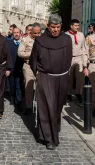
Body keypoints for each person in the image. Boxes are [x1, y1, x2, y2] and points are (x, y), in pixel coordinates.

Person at [29, 14, 72, 150]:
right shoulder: (40, 40)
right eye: (53, 27)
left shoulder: (67, 39)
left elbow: (69, 57)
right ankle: (48, 138)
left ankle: (55, 130)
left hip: (62, 77)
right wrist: (40, 73)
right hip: (45, 77)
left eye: (58, 27)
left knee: (57, 108)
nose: (55, 30)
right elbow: (33, 60)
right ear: (48, 26)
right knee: (47, 107)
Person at [18, 23, 41, 115]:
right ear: (31, 32)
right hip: (28, 66)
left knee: (41, 87)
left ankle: (41, 106)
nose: (37, 35)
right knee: (29, 87)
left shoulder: (43, 40)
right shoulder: (25, 40)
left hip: (40, 66)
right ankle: (28, 106)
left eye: (38, 33)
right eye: (35, 33)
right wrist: (31, 55)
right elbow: (20, 53)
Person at [66, 19, 88, 103]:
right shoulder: (66, 35)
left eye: (78, 25)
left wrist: (84, 61)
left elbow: (84, 48)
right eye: (76, 25)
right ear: (71, 26)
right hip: (69, 58)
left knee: (80, 78)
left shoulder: (81, 35)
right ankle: (68, 93)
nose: (77, 27)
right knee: (69, 77)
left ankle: (78, 93)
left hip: (79, 58)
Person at [7, 27, 23, 106]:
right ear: (13, 34)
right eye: (15, 32)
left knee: (19, 85)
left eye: (18, 32)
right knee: (12, 86)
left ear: (20, 33)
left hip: (20, 69)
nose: (16, 34)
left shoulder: (23, 43)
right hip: (11, 68)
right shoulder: (9, 44)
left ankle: (19, 101)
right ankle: (12, 98)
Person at [84, 33, 95, 117]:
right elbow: (85, 53)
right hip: (93, 65)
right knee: (94, 90)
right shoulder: (89, 38)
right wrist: (85, 67)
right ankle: (93, 109)